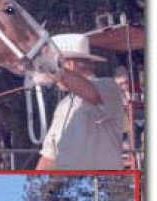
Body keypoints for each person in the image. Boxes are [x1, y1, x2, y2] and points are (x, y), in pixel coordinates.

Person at [36, 34, 124, 170]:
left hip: (101, 184)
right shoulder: (63, 105)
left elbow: (91, 94)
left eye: (58, 64)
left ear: (70, 65)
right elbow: (49, 156)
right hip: (69, 186)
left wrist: (54, 70)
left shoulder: (109, 86)